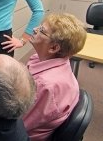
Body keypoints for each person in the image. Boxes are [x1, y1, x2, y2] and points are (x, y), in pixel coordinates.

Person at [22, 13, 87, 141]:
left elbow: (18, 123)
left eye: (42, 31)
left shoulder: (44, 84)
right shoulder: (55, 62)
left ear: (53, 47)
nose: (35, 29)